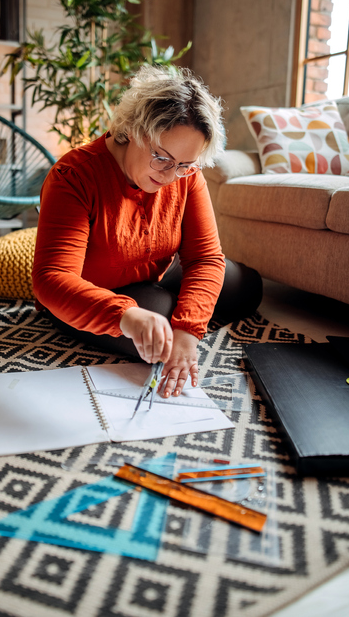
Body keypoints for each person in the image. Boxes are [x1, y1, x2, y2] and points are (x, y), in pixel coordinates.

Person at [32, 65, 262, 399]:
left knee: (247, 287)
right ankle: (156, 315)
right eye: (161, 158)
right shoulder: (73, 175)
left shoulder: (186, 176)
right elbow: (52, 278)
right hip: (88, 297)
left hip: (156, 274)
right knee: (158, 322)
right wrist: (126, 315)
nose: (171, 177)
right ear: (133, 129)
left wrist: (189, 332)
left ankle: (173, 315)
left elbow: (205, 257)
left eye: (185, 165)